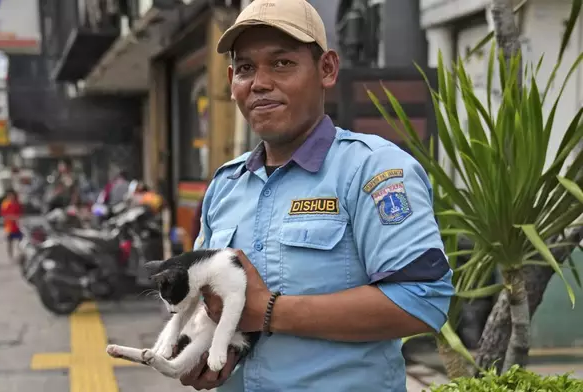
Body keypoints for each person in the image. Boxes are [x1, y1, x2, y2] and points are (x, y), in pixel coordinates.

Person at [182, 1, 454, 391]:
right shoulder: (226, 185)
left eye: (282, 64)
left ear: (326, 69)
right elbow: (210, 304)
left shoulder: (373, 171)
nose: (259, 83)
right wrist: (201, 350)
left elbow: (422, 299)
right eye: (245, 68)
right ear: (231, 80)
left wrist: (269, 310)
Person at [0, 189, 23, 259]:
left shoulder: (17, 203)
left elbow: (20, 214)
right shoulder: (5, 204)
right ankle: (10, 256)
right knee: (9, 242)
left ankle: (20, 253)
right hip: (9, 227)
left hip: (17, 226)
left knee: (20, 240)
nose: (11, 196)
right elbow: (3, 215)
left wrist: (15, 217)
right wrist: (11, 217)